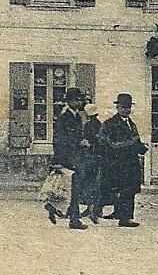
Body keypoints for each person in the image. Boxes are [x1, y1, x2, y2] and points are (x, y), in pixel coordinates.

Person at [99, 93, 148, 227]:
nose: (126, 110)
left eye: (128, 107)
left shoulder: (131, 124)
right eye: (123, 107)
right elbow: (108, 143)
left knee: (130, 189)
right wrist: (129, 144)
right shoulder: (110, 124)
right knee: (121, 189)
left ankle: (122, 214)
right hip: (117, 162)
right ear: (117, 107)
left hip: (131, 162)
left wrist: (142, 147)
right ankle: (124, 218)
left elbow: (136, 141)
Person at [50, 87, 89, 229]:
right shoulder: (64, 117)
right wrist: (60, 159)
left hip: (76, 156)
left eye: (80, 100)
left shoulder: (77, 116)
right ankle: (74, 219)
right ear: (70, 101)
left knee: (73, 188)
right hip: (68, 157)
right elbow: (60, 139)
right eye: (76, 100)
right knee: (73, 188)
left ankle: (54, 207)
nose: (79, 102)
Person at [79, 101, 104, 223]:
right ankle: (94, 209)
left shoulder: (89, 126)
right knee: (95, 184)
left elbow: (89, 141)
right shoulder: (99, 124)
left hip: (90, 157)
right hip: (98, 158)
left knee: (88, 184)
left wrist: (86, 143)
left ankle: (91, 209)